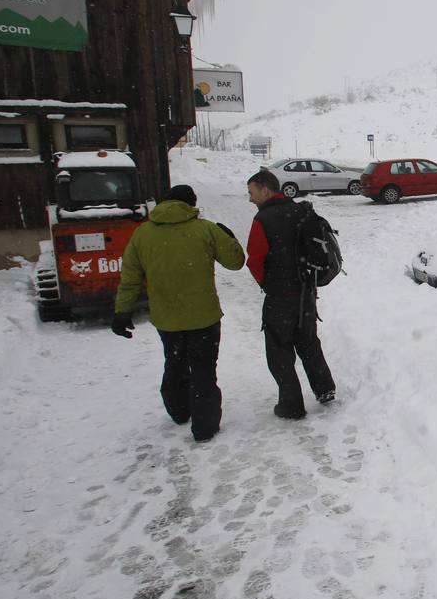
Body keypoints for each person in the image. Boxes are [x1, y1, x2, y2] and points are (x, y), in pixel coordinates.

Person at [112, 184, 246, 442]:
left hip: (167, 319)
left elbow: (130, 278)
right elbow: (236, 262)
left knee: (174, 363)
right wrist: (229, 237)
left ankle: (180, 411)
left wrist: (122, 311)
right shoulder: (204, 229)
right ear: (190, 204)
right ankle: (204, 427)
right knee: (203, 369)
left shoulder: (143, 234)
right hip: (203, 317)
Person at [245, 169, 336, 419]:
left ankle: (291, 404)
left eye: (251, 192)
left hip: (279, 297)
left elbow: (254, 259)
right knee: (308, 342)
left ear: (265, 190)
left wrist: (268, 283)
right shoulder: (300, 211)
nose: (250, 198)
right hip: (306, 291)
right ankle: (325, 388)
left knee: (279, 351)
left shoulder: (263, 219)